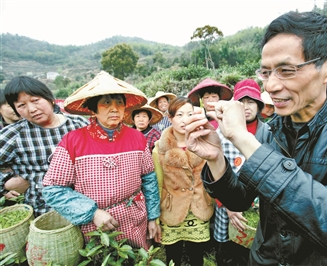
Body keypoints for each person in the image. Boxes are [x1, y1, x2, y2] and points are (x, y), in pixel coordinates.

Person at [184, 11, 327, 265]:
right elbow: (239, 199)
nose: (271, 86)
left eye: (286, 70)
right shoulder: (270, 131)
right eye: (266, 73)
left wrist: (243, 138)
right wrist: (216, 158)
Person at [42, 71, 160, 249]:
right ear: (93, 109)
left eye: (119, 102)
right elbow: (52, 189)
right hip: (94, 226)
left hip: (135, 217)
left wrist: (152, 217)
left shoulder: (137, 138)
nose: (115, 108)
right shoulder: (72, 141)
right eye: (106, 103)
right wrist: (92, 213)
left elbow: (149, 180)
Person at [0, 76, 89, 217]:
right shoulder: (14, 134)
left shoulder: (78, 124)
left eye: (35, 100)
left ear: (49, 98)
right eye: (21, 105)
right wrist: (5, 183)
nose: (32, 109)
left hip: (86, 205)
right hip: (45, 214)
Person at [152, 96, 214, 266]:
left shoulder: (204, 143)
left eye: (189, 114)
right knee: (173, 256)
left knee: (197, 255)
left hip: (198, 206)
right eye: (179, 115)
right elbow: (158, 183)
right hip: (172, 208)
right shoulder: (159, 148)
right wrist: (155, 218)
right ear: (170, 118)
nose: (185, 120)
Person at [214, 79, 264, 266]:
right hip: (226, 206)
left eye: (251, 102)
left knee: (252, 251)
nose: (246, 107)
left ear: (259, 105)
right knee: (227, 252)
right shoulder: (221, 133)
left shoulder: (267, 132)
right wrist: (227, 205)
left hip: (258, 209)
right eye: (241, 102)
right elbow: (213, 171)